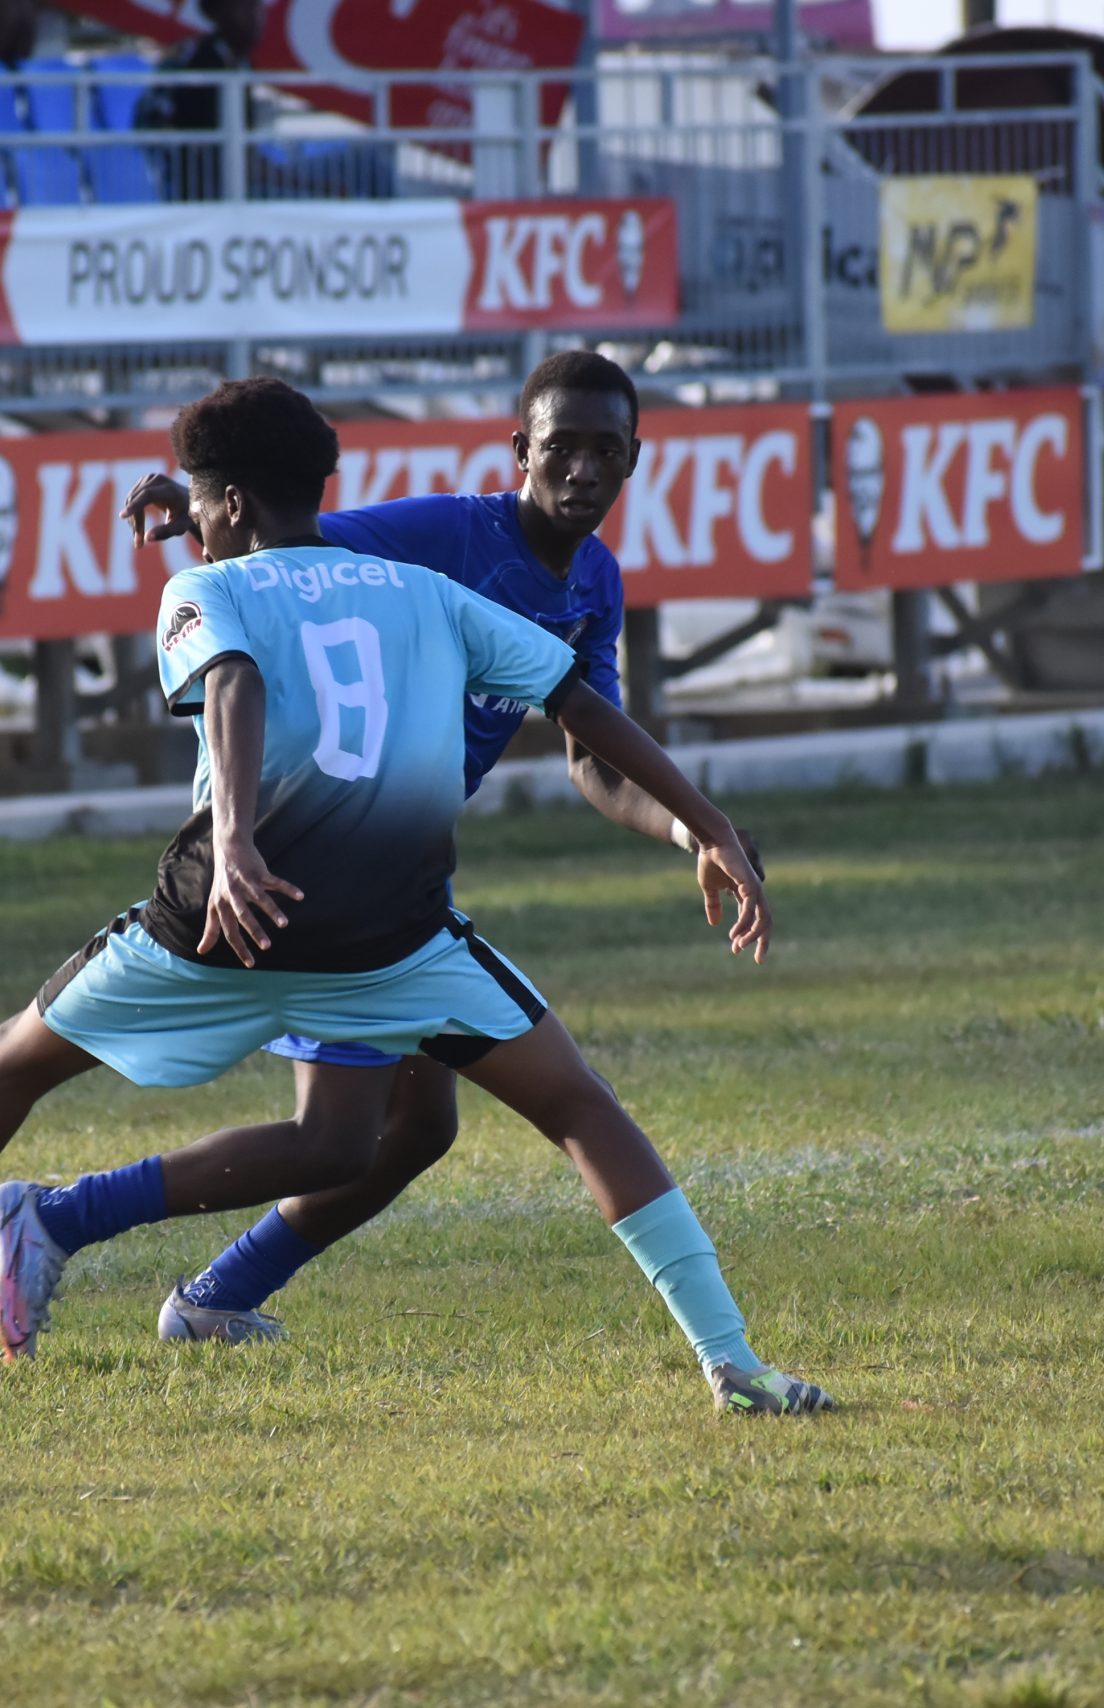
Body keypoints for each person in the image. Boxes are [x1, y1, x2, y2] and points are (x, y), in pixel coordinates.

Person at [0, 376, 830, 1418]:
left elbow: (233, 678)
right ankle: (731, 1360)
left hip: (223, 919)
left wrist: (236, 837)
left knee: (17, 1058)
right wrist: (713, 821)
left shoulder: (203, 585)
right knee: (579, 1108)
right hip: (393, 942)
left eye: (198, 506)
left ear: (226, 504)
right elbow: (580, 707)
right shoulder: (428, 588)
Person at [84, 349, 752, 1352]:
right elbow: (283, 548)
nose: (580, 471)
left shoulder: (593, 581)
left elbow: (592, 756)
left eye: (603, 452)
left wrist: (685, 828)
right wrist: (190, 501)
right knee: (352, 1133)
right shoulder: (442, 537)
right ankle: (64, 1221)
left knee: (409, 1132)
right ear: (516, 452)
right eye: (558, 448)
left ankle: (209, 1294)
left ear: (633, 462)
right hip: (314, 861)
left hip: (386, 876)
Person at [133, 0, 260, 201]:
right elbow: (188, 124)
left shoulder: (242, 63)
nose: (257, 19)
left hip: (231, 183)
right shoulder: (199, 60)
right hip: (197, 186)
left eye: (258, 9)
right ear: (219, 13)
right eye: (247, 8)